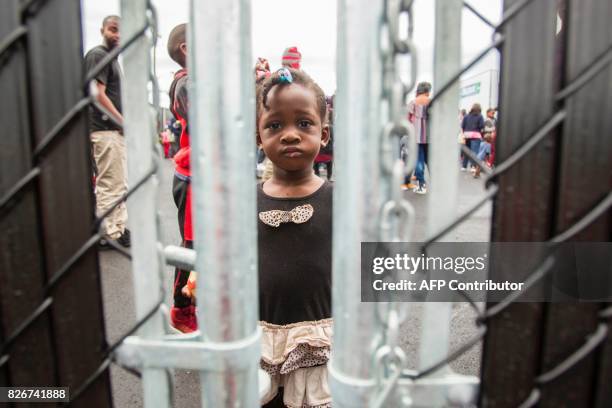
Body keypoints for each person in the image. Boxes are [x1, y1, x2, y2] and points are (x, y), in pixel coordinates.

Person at [257, 68, 332, 407]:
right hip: (260, 343)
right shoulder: (245, 200)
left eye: (303, 123)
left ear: (324, 134)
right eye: (275, 125)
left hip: (318, 344)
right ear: (260, 137)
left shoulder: (339, 200)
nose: (290, 135)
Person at [84, 15, 131, 249]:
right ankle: (109, 233)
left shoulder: (111, 59)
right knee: (110, 182)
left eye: (122, 31)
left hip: (111, 130)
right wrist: (122, 121)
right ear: (102, 29)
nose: (118, 35)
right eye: (113, 30)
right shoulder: (98, 55)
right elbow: (97, 93)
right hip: (104, 129)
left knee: (117, 181)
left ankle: (117, 227)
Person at [167, 23, 197, 333]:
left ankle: (200, 302)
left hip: (204, 173)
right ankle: (182, 310)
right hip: (193, 177)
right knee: (192, 245)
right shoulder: (187, 83)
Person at [406, 81, 431, 194]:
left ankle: (422, 185)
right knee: (430, 160)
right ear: (426, 91)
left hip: (416, 136)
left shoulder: (413, 102)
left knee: (419, 160)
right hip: (430, 136)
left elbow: (407, 119)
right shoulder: (431, 102)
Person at [461, 103, 485, 172]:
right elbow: (482, 126)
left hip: (467, 135)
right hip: (475, 135)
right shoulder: (480, 116)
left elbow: (462, 125)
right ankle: (473, 167)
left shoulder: (466, 116)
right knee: (474, 152)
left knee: (466, 151)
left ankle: (464, 166)